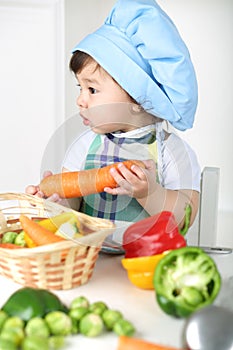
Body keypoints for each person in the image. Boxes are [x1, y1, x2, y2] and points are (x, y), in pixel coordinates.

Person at [26, 0, 201, 232]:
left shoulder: (174, 152)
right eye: (80, 88)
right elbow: (73, 207)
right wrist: (55, 202)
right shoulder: (84, 146)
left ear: (138, 99)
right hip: (91, 258)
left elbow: (184, 220)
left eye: (92, 90)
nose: (81, 100)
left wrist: (150, 193)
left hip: (147, 262)